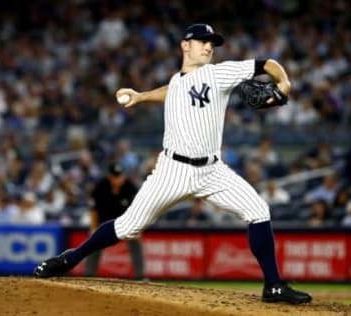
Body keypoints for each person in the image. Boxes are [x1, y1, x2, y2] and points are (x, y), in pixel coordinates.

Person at [33, 23, 312, 305]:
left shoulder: (219, 73)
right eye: (203, 41)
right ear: (185, 45)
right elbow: (173, 90)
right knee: (127, 226)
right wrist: (142, 96)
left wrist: (284, 85)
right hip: (172, 170)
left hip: (212, 171)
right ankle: (70, 259)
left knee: (258, 210)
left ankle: (273, 285)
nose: (208, 47)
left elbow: (270, 65)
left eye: (211, 43)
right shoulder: (178, 81)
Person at [85, 162, 145, 280]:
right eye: (115, 177)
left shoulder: (129, 187)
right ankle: (89, 275)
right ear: (110, 177)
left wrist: (138, 228)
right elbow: (93, 210)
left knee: (135, 241)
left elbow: (139, 209)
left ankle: (140, 276)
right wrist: (93, 227)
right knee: (93, 242)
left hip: (125, 222)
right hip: (104, 223)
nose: (118, 179)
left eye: (120, 176)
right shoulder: (100, 187)